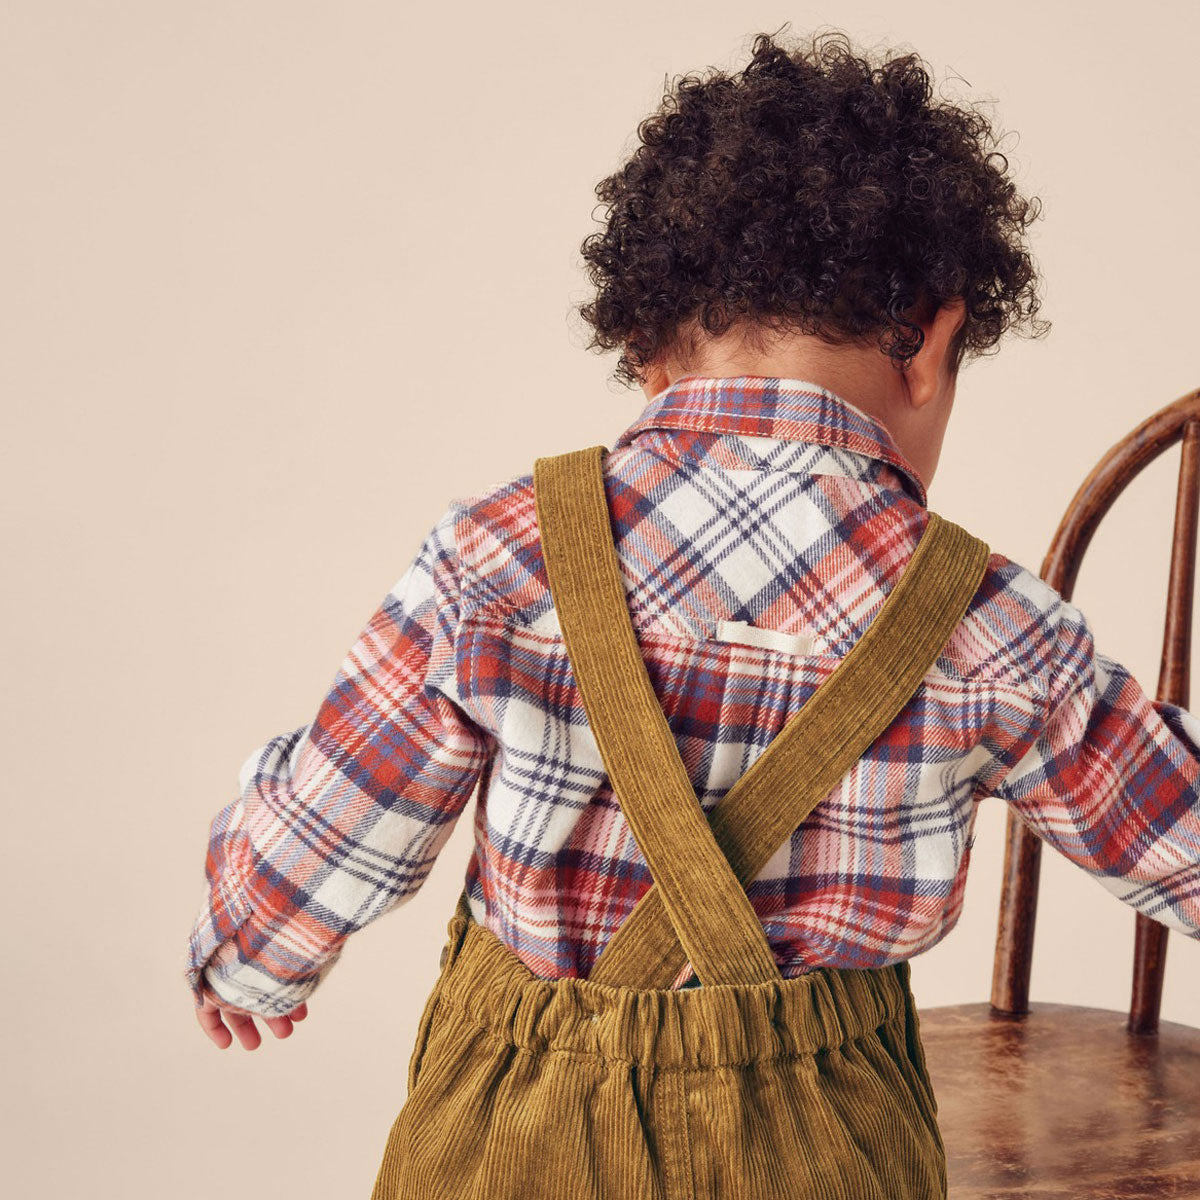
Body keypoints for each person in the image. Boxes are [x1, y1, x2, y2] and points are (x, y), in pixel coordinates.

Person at [184, 24, 1200, 1198]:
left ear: (644, 350)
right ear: (929, 341)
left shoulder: (499, 558)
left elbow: (330, 817)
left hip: (518, 1126)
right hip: (827, 1143)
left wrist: (248, 958)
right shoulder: (992, 627)